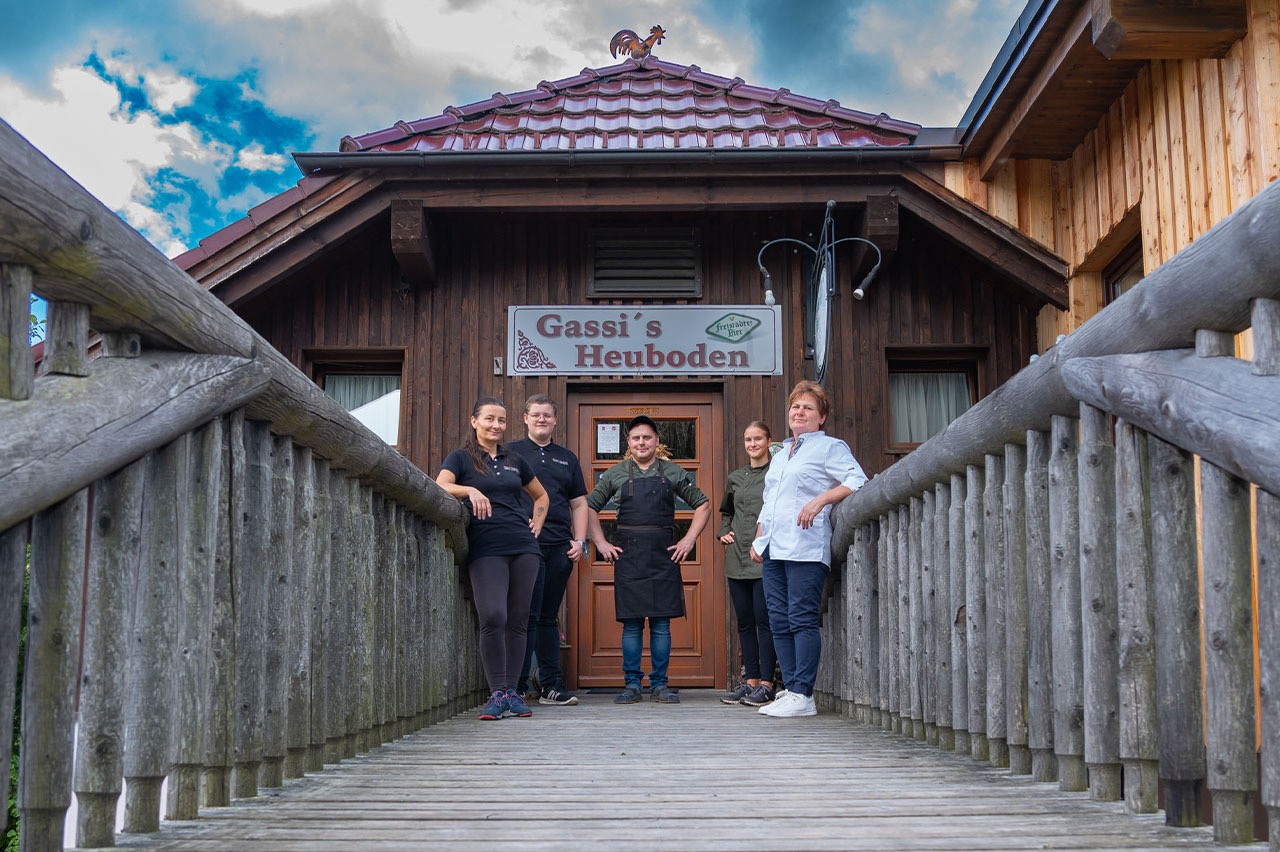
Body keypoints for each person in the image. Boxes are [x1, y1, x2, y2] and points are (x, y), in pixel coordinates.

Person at [751, 381, 866, 718]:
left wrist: (821, 500)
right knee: (778, 619)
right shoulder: (782, 452)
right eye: (795, 407)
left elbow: (858, 480)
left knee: (801, 618)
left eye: (807, 408)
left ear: (821, 417)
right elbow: (770, 499)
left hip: (805, 545)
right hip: (774, 546)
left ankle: (803, 693)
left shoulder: (830, 447)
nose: (799, 412)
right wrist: (760, 538)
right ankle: (789, 690)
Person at [436, 397, 549, 721]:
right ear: (475, 421)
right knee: (493, 617)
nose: (496, 425)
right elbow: (440, 485)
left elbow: (541, 496)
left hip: (524, 546)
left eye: (501, 420)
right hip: (486, 546)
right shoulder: (461, 458)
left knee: (518, 619)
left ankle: (513, 693)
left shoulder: (515, 460)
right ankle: (496, 692)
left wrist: (537, 522)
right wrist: (469, 492)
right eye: (489, 419)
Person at [586, 415, 711, 705]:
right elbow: (590, 508)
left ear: (656, 441)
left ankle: (659, 685)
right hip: (629, 557)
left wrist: (689, 539)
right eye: (636, 438)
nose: (642, 442)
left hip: (662, 556)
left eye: (647, 437)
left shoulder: (674, 473)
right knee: (631, 626)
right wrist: (601, 542)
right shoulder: (615, 474)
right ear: (628, 443)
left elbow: (703, 505)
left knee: (661, 625)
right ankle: (631, 684)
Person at [508, 393, 589, 706]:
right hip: (523, 545)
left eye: (547, 415)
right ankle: (515, 686)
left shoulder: (566, 458)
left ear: (555, 421)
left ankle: (551, 687)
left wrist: (580, 541)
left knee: (546, 617)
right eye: (536, 414)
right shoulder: (510, 453)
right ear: (526, 418)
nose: (542, 420)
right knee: (524, 616)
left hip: (559, 547)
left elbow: (579, 503)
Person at [717, 420, 779, 708]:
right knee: (745, 622)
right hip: (737, 557)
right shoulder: (735, 477)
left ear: (768, 441)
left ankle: (767, 683)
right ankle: (750, 681)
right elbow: (726, 512)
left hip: (765, 557)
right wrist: (723, 531)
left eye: (757, 439)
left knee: (764, 621)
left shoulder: (777, 473)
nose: (752, 444)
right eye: (748, 439)